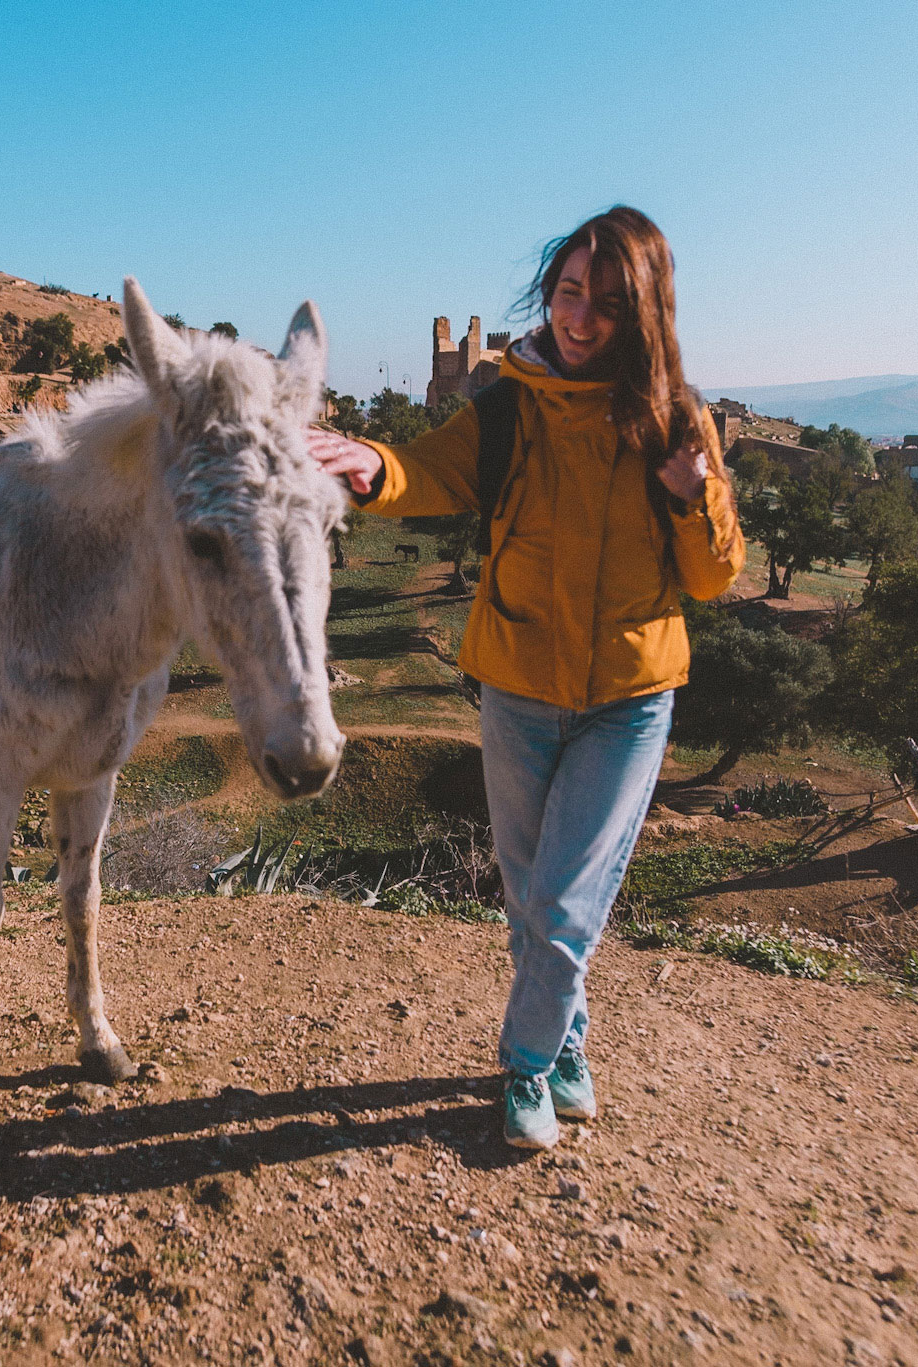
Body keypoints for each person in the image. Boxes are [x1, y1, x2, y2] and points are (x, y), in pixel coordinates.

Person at [308, 207, 745, 1149]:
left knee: (564, 902)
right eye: (568, 292)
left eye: (606, 302)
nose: (580, 318)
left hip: (628, 700)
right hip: (518, 685)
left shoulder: (676, 419)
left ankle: (526, 1067)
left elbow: (715, 576)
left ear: (646, 312)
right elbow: (431, 473)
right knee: (530, 899)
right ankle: (572, 1047)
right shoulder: (510, 403)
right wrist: (371, 465)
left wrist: (691, 495)